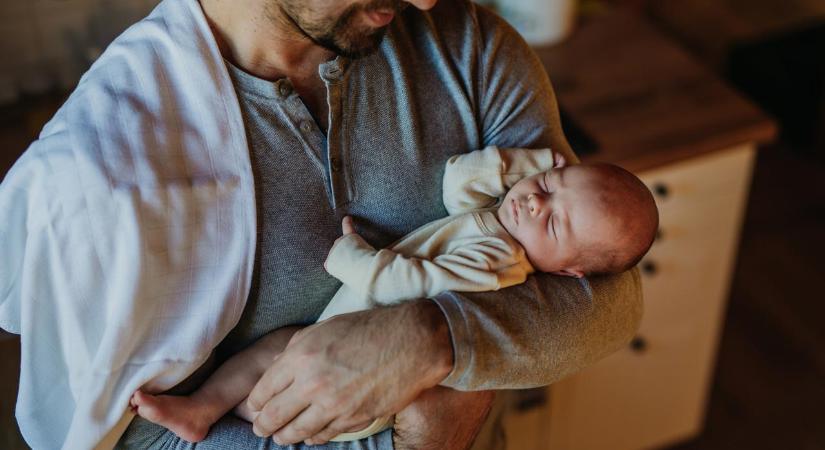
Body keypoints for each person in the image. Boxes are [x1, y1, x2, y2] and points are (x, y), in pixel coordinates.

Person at [0, 0, 644, 449]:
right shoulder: (102, 170)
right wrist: (435, 419)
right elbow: (140, 440)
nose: (424, 0)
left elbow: (609, 299)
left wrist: (432, 338)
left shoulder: (468, 46)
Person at [127, 145, 658, 444]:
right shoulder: (500, 220)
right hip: (335, 333)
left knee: (279, 376)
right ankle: (202, 409)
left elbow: (415, 285)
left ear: (567, 272)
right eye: (547, 188)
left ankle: (222, 415)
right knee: (278, 350)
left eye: (556, 225)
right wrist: (525, 168)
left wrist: (351, 257)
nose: (536, 205)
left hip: (362, 372)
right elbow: (458, 183)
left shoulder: (499, 263)